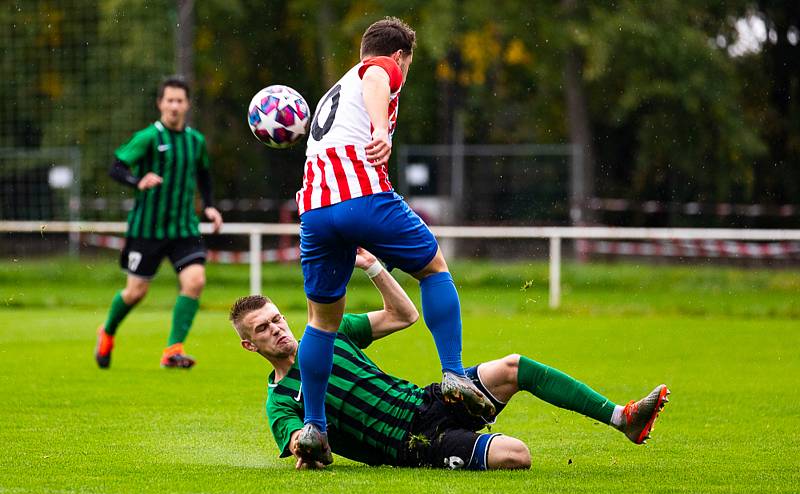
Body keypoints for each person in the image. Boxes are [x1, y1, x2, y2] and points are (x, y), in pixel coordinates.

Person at [229, 249, 670, 470]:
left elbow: (404, 315)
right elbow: (301, 445)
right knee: (519, 456)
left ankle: (622, 418)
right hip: (411, 446)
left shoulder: (328, 334)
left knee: (514, 365)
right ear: (251, 346)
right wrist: (309, 447)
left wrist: (372, 266)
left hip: (428, 401)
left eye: (277, 318)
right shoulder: (280, 401)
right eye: (263, 329)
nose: (277, 329)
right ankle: (470, 442)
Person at [294, 16, 492, 465]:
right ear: (399, 54)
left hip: (315, 209)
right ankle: (455, 374)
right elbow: (379, 78)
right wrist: (381, 130)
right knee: (434, 268)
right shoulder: (381, 67)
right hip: (362, 194)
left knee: (322, 322)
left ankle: (314, 426)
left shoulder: (333, 91)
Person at [94, 76, 223, 370]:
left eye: (180, 100)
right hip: (146, 229)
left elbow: (204, 175)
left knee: (195, 281)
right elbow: (116, 167)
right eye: (170, 100)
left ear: (187, 105)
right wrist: (137, 180)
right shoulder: (148, 137)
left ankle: (173, 350)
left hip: (183, 228)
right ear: (160, 104)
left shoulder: (195, 141)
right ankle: (108, 331)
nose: (175, 106)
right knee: (136, 292)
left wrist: (211, 206)